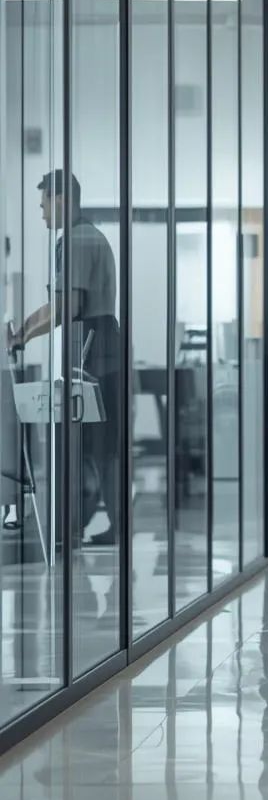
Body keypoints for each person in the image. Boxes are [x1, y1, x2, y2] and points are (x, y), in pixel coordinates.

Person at [7, 170, 123, 548]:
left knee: (89, 447)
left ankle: (71, 529)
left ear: (60, 199)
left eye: (43, 204)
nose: (41, 214)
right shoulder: (87, 236)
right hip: (97, 347)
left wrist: (24, 333)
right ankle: (98, 525)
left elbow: (66, 306)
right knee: (98, 447)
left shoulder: (76, 240)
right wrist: (25, 329)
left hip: (93, 352)